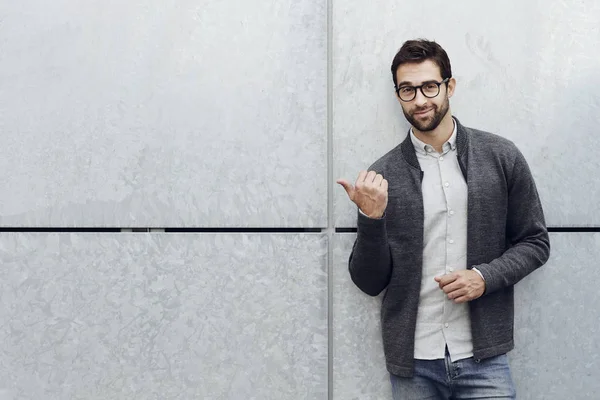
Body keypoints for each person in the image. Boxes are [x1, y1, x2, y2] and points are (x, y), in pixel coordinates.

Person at [337, 39, 550, 399]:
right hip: (414, 362)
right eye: (408, 89)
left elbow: (535, 241)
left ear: (450, 86)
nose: (420, 99)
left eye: (429, 86)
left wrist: (485, 277)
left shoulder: (501, 157)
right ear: (398, 95)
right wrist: (370, 219)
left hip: (484, 358)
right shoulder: (381, 175)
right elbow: (369, 282)